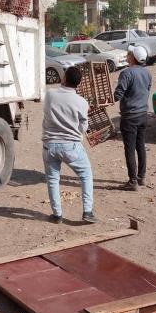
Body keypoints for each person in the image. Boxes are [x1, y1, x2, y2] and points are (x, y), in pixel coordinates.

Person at [42, 67, 98, 224]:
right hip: (71, 146)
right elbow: (83, 128)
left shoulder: (50, 94)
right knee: (86, 175)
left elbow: (47, 114)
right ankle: (87, 212)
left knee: (53, 179)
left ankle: (57, 215)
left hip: (49, 144)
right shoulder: (81, 102)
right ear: (78, 84)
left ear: (64, 79)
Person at [114, 45, 152, 191]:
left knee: (129, 149)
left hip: (129, 117)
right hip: (143, 115)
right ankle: (141, 177)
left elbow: (118, 95)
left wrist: (104, 101)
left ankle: (132, 182)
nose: (127, 56)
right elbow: (147, 90)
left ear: (133, 58)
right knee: (140, 146)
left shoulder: (126, 73)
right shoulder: (147, 73)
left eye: (129, 54)